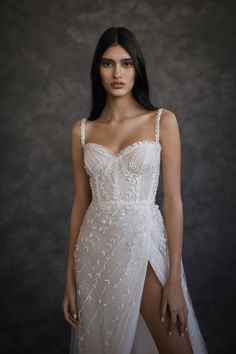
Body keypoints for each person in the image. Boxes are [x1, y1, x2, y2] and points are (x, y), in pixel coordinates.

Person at [62, 27, 208, 354]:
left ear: (137, 69)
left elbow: (172, 202)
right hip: (94, 252)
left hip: (142, 243)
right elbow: (79, 205)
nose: (117, 73)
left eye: (126, 64)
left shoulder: (162, 121)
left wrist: (172, 280)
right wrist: (69, 279)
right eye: (108, 64)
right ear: (97, 70)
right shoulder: (82, 131)